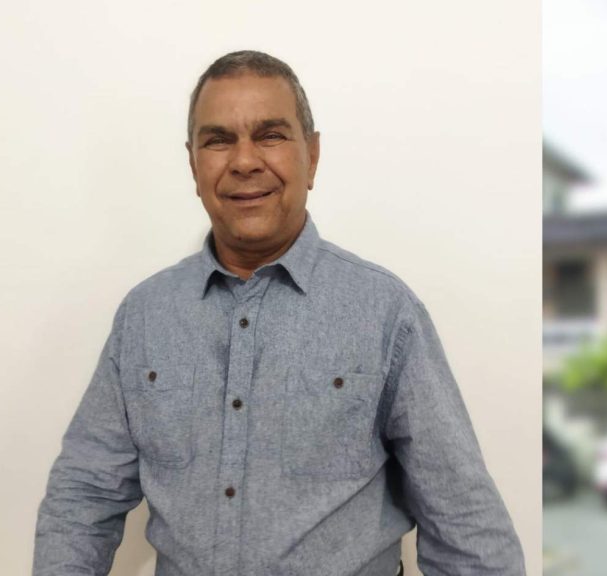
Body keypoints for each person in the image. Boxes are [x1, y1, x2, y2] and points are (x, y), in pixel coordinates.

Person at [33, 50, 525, 576]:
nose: (244, 161)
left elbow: (463, 520)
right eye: (218, 140)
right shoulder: (145, 316)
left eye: (270, 135)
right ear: (193, 164)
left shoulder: (384, 312)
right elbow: (83, 496)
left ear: (312, 155)